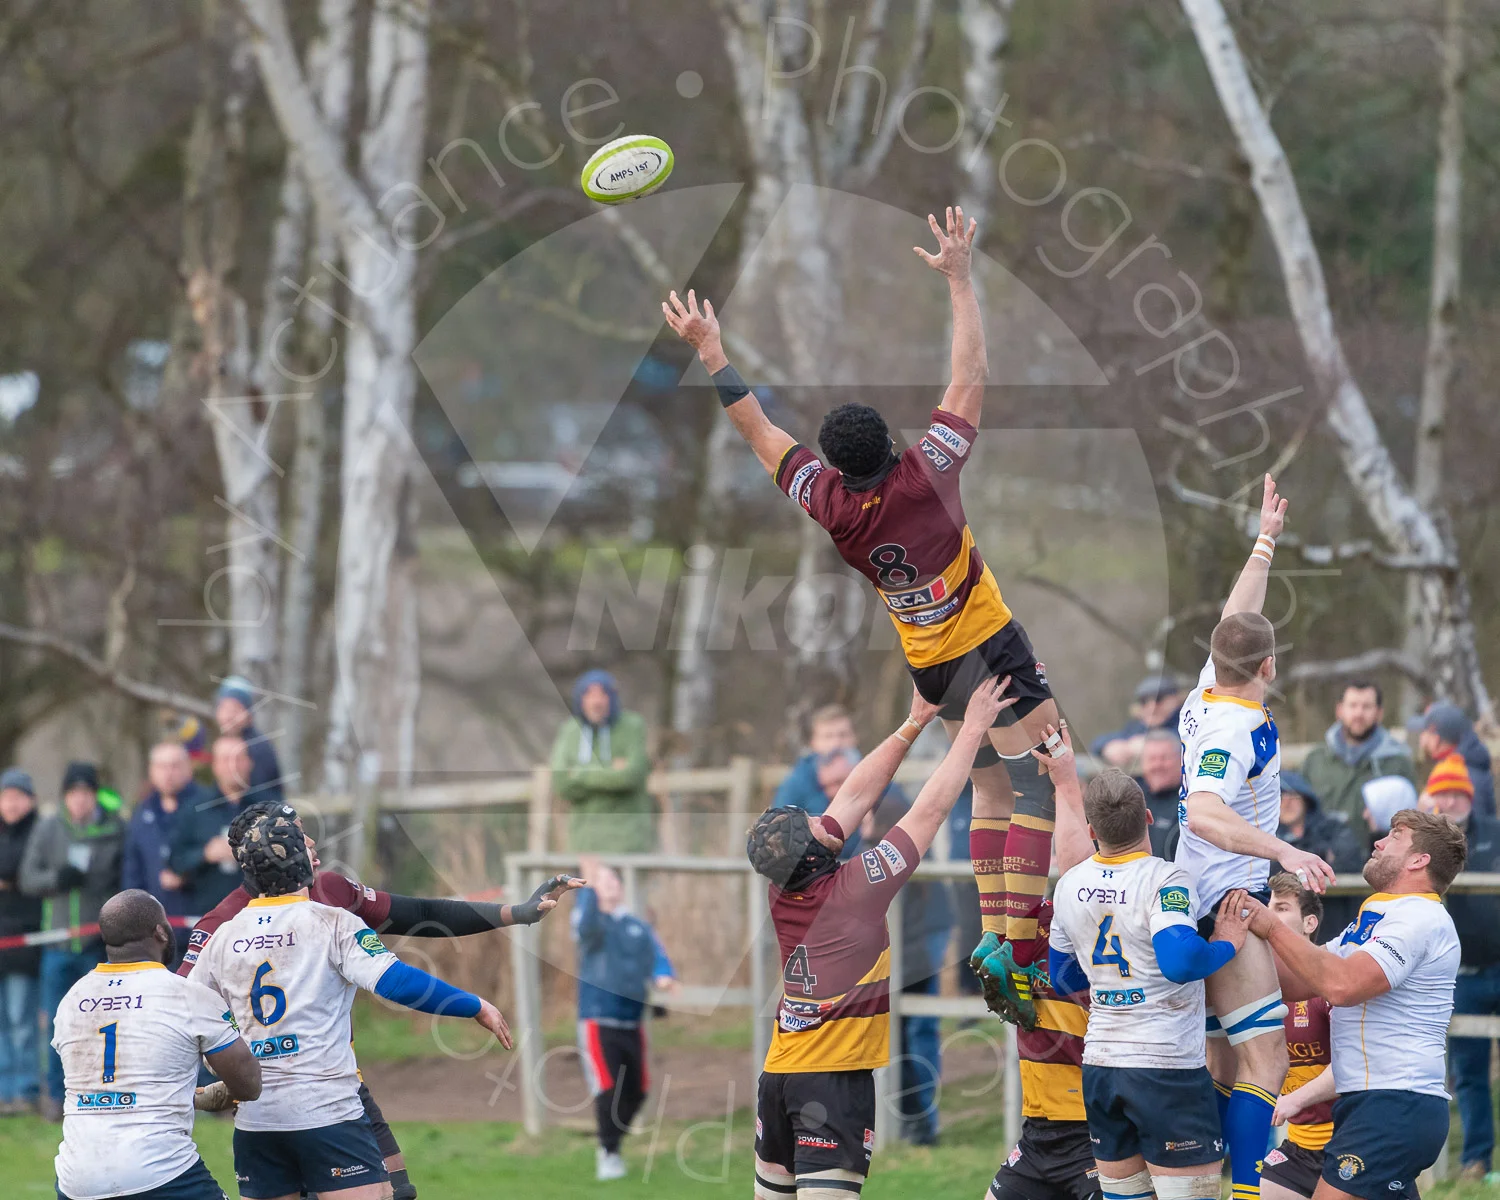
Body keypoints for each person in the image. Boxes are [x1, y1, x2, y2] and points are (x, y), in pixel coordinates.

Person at [666, 208, 1069, 1029]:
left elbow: (761, 433)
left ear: (836, 464)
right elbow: (971, 377)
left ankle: (994, 939)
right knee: (1052, 783)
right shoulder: (926, 477)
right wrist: (959, 279)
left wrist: (714, 356)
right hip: (990, 641)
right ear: (890, 443)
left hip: (930, 665)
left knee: (990, 797)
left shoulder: (832, 505)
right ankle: (1023, 950)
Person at [182, 797, 579, 1200]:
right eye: (298, 833)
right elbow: (396, 981)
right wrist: (473, 1004)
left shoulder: (311, 897)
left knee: (399, 1192)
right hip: (320, 1102)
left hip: (294, 1103)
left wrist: (517, 912)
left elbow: (419, 912)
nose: (311, 841)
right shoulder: (235, 923)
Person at [746, 678, 1007, 1199]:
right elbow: (928, 812)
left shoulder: (783, 888)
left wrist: (915, 722)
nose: (824, 815)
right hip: (831, 1082)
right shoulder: (858, 887)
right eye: (812, 822)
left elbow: (856, 792)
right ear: (816, 851)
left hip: (777, 1075)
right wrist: (972, 729)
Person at [1174, 476, 1335, 1200]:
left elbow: (1237, 617)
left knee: (1215, 1056)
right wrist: (1286, 852)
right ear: (1271, 668)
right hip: (1225, 899)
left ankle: (1202, 1179)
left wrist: (1265, 539)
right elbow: (1203, 810)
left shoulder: (1211, 688)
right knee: (1264, 1061)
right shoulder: (1237, 729)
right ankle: (1244, 1191)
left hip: (1195, 894)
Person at [1229, 807, 1467, 1200]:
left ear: (1418, 859)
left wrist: (1270, 926)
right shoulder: (1375, 916)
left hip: (1396, 1103)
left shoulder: (1420, 917)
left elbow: (1341, 985)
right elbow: (1296, 983)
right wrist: (1236, 938)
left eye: (1394, 836)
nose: (1378, 841)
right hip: (1373, 1103)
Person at [1049, 768, 1250, 1200]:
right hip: (1165, 1067)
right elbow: (1180, 961)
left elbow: (1061, 976)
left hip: (1102, 1065)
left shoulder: (1068, 885)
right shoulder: (1165, 879)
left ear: (1091, 830)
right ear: (1147, 818)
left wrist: (1112, 993)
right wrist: (1226, 944)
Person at [51, 889, 261, 1200]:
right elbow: (249, 1085)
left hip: (75, 1179)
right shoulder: (186, 994)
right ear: (161, 932)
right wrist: (215, 1094)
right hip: (159, 1172)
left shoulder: (73, 998)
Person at [986, 725, 1102, 1200]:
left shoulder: (1090, 926)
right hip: (1036, 1135)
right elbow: (1009, 858)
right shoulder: (1026, 926)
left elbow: (1075, 863)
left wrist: (1061, 781)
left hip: (1091, 1133)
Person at [20, 762, 125, 1121]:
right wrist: (57, 879)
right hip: (57, 947)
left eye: (86, 793)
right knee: (55, 1023)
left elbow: (124, 883)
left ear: (95, 795)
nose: (79, 801)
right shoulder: (49, 828)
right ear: (65, 796)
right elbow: (28, 878)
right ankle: (56, 1094)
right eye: (73, 794)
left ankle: (96, 1091)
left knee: (100, 1023)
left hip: (97, 946)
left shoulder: (114, 829)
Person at [1417, 754, 1500, 1180]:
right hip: (1461, 974)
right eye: (1441, 793)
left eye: (1456, 793)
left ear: (1469, 797)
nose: (1449, 801)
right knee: (1467, 1072)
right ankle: (1476, 1159)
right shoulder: (1425, 847)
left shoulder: (1495, 833)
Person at [571, 857, 677, 1181]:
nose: (611, 885)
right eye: (602, 881)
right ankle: (608, 1153)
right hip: (598, 1020)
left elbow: (658, 958)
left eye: (613, 880)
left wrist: (663, 976)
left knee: (638, 1091)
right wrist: (587, 887)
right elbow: (585, 925)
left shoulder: (636, 925)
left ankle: (612, 1144)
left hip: (632, 1022)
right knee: (609, 1086)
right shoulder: (592, 924)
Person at [858, 792, 951, 1145]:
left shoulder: (875, 856)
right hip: (913, 963)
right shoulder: (913, 852)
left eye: (869, 817)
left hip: (900, 966)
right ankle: (918, 1123)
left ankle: (915, 1123)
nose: (863, 822)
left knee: (907, 1045)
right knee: (915, 1043)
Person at [1258, 874, 1333, 1200]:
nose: (1268, 914)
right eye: (1268, 905)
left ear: (1309, 923)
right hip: (1299, 1146)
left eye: (1282, 907)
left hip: (1348, 1145)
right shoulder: (1259, 986)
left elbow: (1355, 1065)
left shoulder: (1330, 982)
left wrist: (1292, 1101)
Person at [121, 743, 214, 953]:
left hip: (203, 928)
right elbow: (132, 871)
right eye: (161, 766)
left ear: (189, 768)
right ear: (151, 771)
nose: (168, 773)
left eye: (175, 766)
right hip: (157, 935)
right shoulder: (142, 813)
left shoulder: (208, 807)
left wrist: (188, 876)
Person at [1298, 682, 1415, 847]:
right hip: (1322, 862)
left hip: (1379, 859)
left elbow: (1411, 823)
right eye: (1353, 705)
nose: (1359, 713)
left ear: (1379, 713)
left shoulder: (1397, 763)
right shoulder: (1315, 761)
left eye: (1367, 707)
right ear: (1340, 710)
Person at [550, 670, 653, 853]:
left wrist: (580, 773)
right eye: (589, 694)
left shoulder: (632, 726)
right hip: (584, 843)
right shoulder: (570, 731)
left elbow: (630, 777)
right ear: (580, 700)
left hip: (627, 841)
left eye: (602, 694)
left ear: (612, 698)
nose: (596, 702)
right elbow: (561, 782)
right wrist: (611, 770)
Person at [169, 735, 255, 917]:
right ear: (215, 765)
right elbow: (175, 861)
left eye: (238, 759)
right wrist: (205, 854)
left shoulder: (270, 807)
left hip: (259, 917)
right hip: (208, 915)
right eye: (225, 760)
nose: (233, 766)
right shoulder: (194, 809)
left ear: (249, 763)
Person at [1274, 773, 1363, 941]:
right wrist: (1322, 856)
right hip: (1290, 932)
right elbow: (1272, 871)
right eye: (1281, 797)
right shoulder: (1269, 835)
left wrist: (1294, 863)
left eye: (1293, 796)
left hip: (1337, 922)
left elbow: (1350, 861)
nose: (1287, 803)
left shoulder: (1333, 826)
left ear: (1306, 799)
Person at [0, 767, 42, 1114]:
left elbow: (21, 872)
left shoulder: (38, 831)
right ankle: (5, 1090)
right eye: (6, 796)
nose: (11, 803)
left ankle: (25, 1090)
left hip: (23, 941)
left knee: (22, 1021)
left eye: (18, 796)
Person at [772, 705, 859, 812]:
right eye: (828, 736)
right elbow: (780, 824)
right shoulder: (796, 784)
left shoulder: (872, 774)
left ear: (855, 738)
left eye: (843, 735)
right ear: (813, 743)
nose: (836, 744)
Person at [1415, 702, 1494, 818]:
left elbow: (1474, 832)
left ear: (1436, 739)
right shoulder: (1458, 766)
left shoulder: (1465, 776)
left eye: (1425, 732)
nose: (1421, 739)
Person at [1092, 674, 1188, 769]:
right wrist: (1108, 747)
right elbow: (1098, 742)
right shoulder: (1137, 727)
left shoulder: (1187, 722)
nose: (1152, 707)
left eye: (1159, 698)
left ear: (1177, 699)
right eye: (1144, 701)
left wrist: (1150, 744)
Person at [213, 675, 285, 803]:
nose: (229, 716)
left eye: (236, 709)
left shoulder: (258, 748)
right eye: (224, 708)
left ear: (249, 714)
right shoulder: (224, 741)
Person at [1133, 729, 1183, 858]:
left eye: (1164, 758)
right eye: (1152, 759)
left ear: (1181, 760)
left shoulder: (1192, 800)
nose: (1157, 765)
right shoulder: (1131, 799)